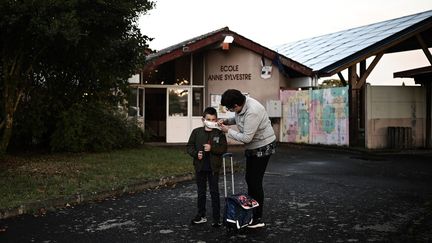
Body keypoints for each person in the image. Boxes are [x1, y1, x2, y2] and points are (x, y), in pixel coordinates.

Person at [217, 89, 276, 229]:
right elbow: (238, 118)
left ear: (237, 104)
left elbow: (246, 138)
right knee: (250, 179)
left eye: (231, 108)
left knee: (255, 181)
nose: (231, 110)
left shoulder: (253, 111)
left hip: (263, 146)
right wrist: (226, 121)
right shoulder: (241, 106)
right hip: (253, 147)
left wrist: (227, 131)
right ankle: (252, 211)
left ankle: (258, 218)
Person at [187, 107, 227, 227]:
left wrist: (212, 148)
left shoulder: (219, 133)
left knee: (214, 192)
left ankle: (216, 218)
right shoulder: (196, 132)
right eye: (208, 119)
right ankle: (201, 215)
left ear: (216, 120)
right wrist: (196, 153)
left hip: (213, 168)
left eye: (213, 119)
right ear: (203, 119)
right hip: (200, 167)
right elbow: (189, 146)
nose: (210, 121)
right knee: (201, 192)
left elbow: (223, 148)